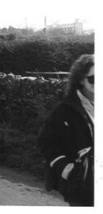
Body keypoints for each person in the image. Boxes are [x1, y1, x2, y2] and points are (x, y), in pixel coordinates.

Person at [38, 54, 94, 206]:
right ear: (81, 79)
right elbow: (46, 142)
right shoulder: (65, 110)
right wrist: (66, 168)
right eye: (93, 79)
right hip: (84, 186)